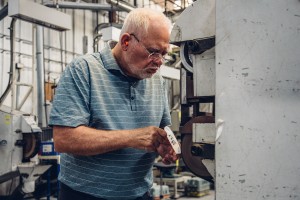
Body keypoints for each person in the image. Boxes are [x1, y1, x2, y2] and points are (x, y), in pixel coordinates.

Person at [49, 8, 178, 200]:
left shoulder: (156, 80)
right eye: (153, 52)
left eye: (164, 54)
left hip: (140, 194)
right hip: (85, 195)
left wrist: (165, 145)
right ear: (126, 41)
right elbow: (64, 139)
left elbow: (162, 128)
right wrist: (131, 138)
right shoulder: (83, 70)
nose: (159, 62)